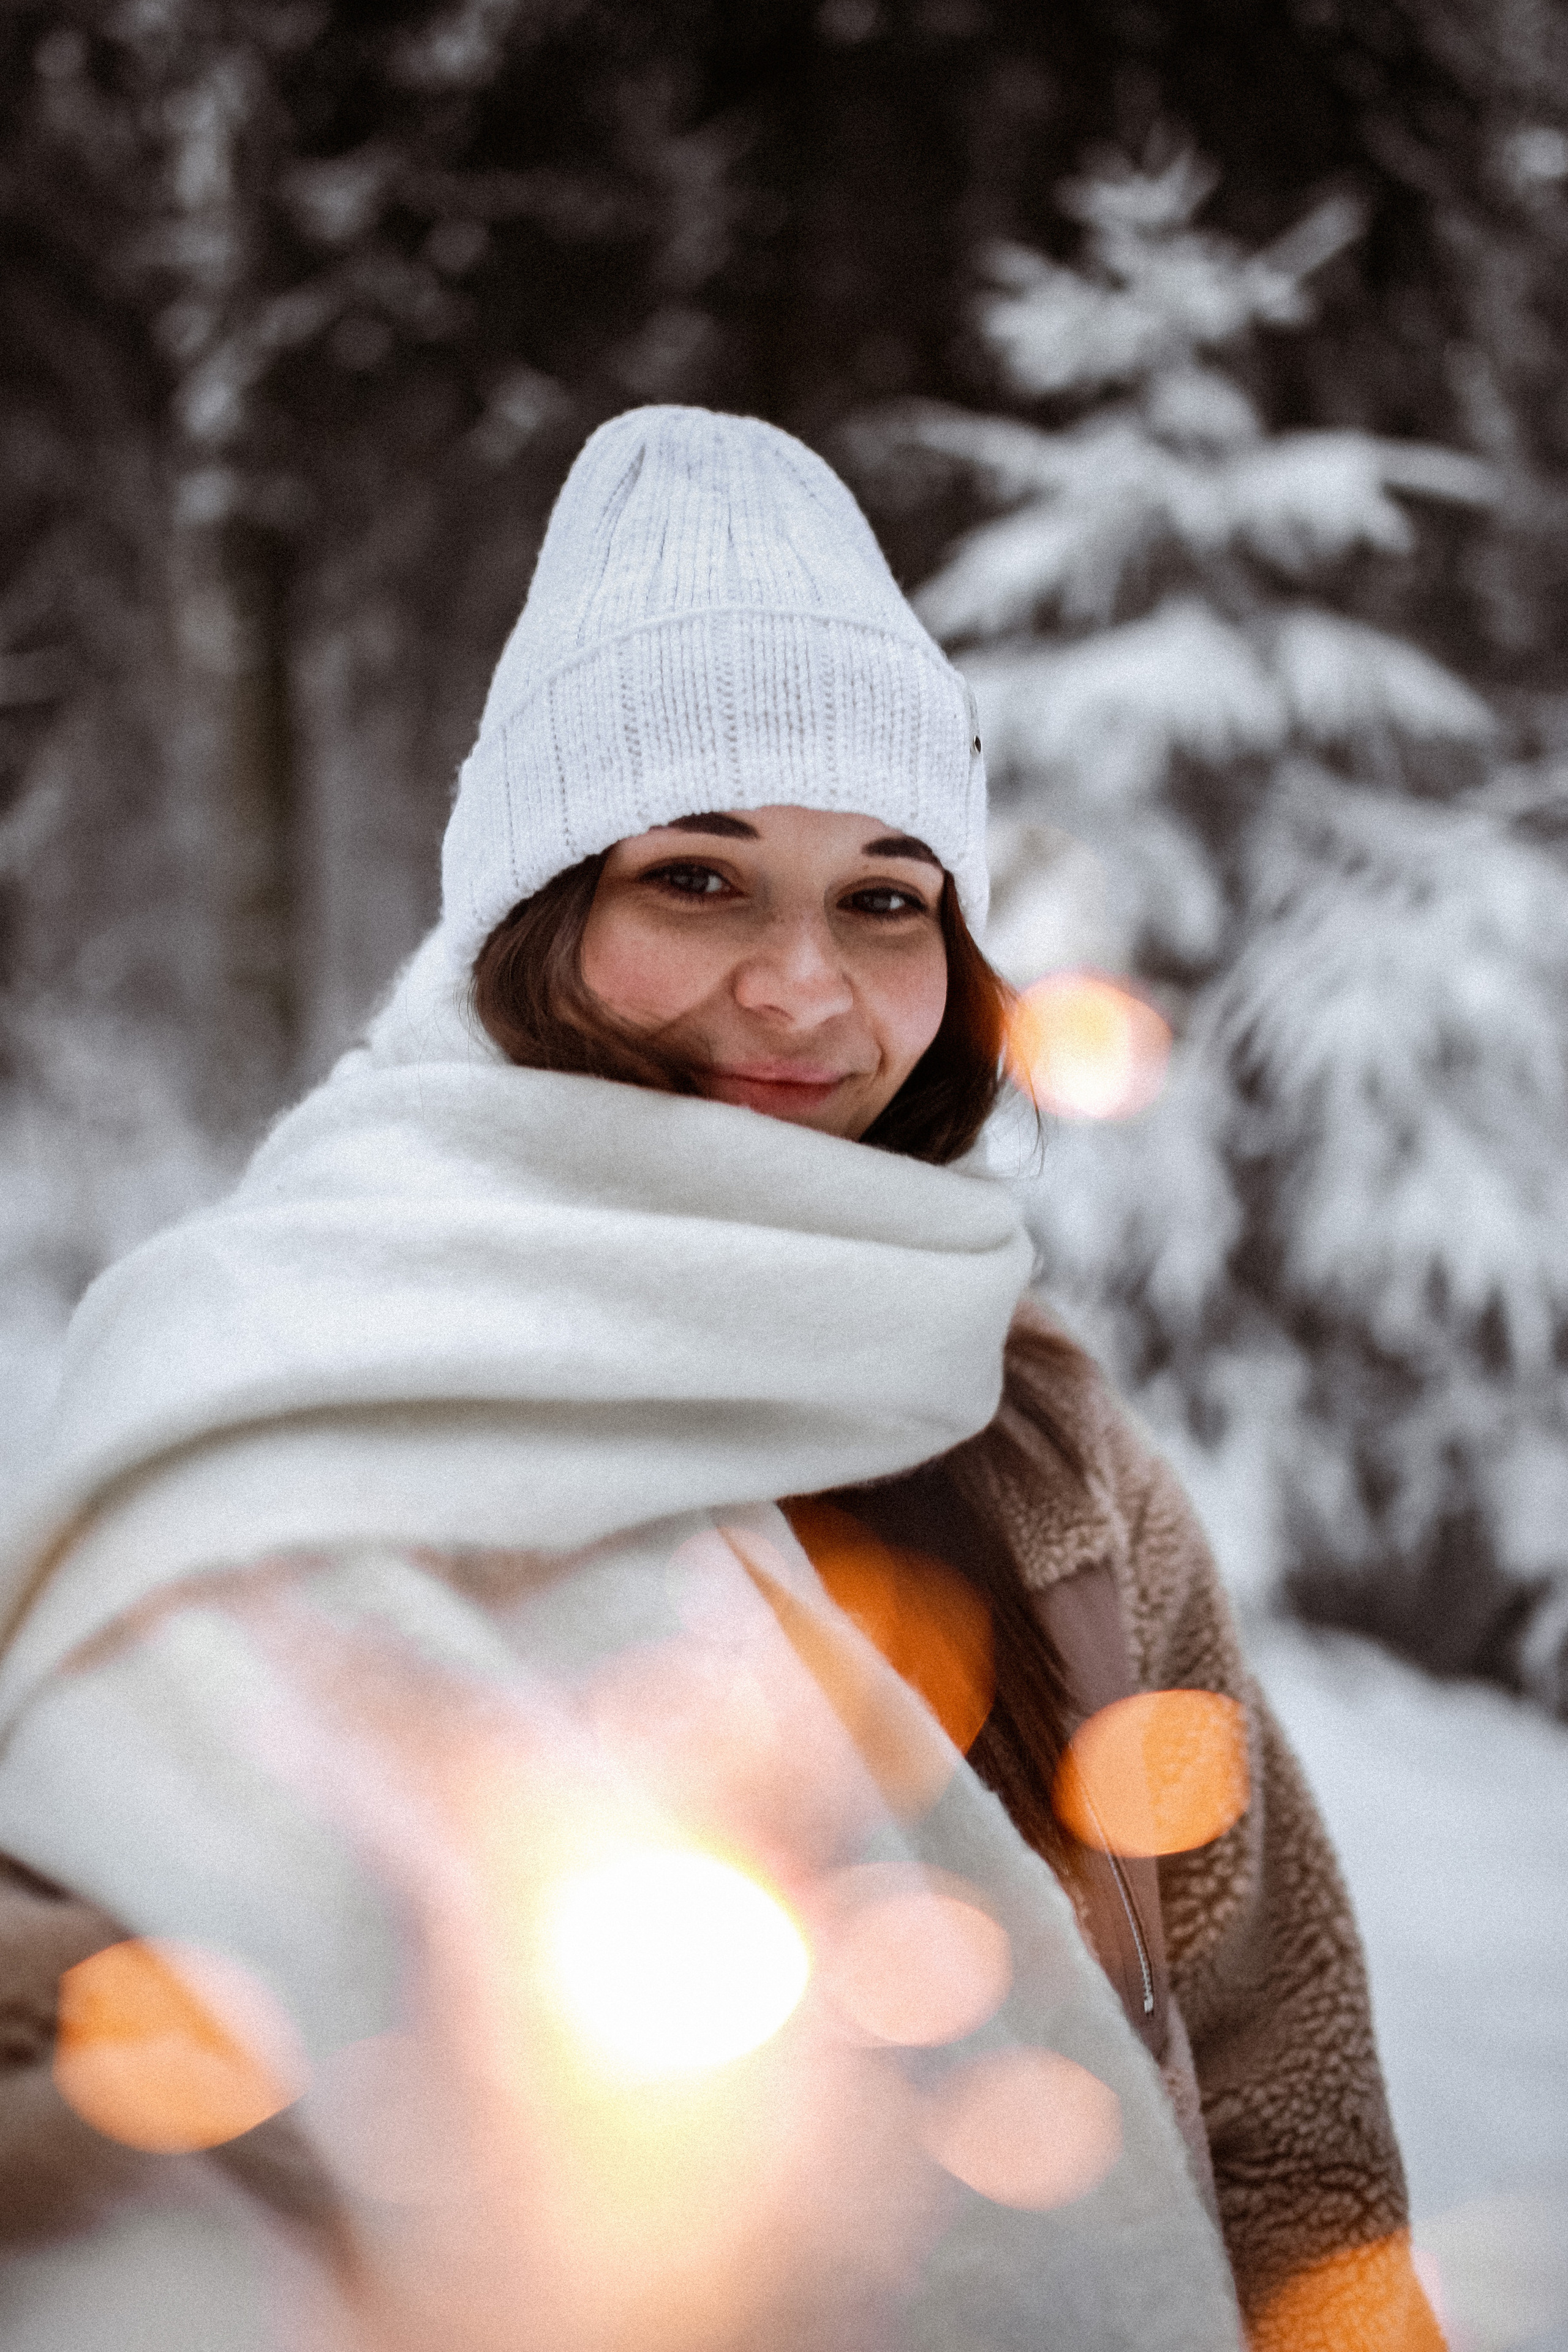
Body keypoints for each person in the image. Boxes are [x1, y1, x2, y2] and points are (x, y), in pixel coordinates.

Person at [0, 407, 1438, 2351]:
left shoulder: (1024, 1427)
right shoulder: (261, 1350)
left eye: (884, 898)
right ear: (536, 913)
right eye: (698, 879)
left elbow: (1274, 2066)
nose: (803, 991)